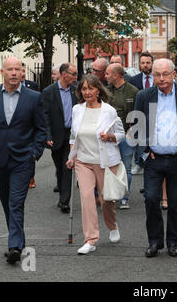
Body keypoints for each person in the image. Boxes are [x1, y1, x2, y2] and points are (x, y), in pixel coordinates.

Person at [0, 56, 46, 264]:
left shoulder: (33, 97)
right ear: (2, 73)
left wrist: (35, 152)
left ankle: (14, 247)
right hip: (0, 159)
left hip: (24, 159)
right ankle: (19, 240)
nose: (14, 73)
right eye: (10, 69)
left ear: (22, 73)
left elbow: (41, 129)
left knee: (15, 202)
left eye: (17, 69)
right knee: (7, 203)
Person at [132, 58, 177, 258]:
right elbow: (137, 126)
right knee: (151, 199)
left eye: (165, 74)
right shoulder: (144, 96)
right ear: (152, 76)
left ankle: (173, 242)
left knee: (176, 202)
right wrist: (144, 153)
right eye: (157, 75)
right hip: (153, 158)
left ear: (174, 74)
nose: (161, 79)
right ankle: (154, 241)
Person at [66, 74, 124, 255]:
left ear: (98, 90)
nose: (87, 92)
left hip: (105, 161)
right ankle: (90, 239)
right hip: (83, 162)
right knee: (86, 198)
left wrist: (111, 137)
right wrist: (72, 155)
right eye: (84, 89)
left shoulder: (109, 111)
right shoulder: (77, 109)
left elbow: (121, 133)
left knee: (107, 200)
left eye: (91, 88)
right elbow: (74, 135)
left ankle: (112, 225)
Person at [41, 63, 78, 213]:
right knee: (59, 167)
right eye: (73, 74)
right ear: (64, 74)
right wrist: (47, 135)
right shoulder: (49, 92)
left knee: (67, 167)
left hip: (72, 134)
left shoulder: (76, 91)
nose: (76, 77)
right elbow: (44, 116)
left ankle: (65, 201)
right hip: (56, 135)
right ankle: (62, 192)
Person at [105, 63, 139, 210]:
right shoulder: (105, 91)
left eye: (107, 74)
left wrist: (131, 133)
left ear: (116, 75)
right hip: (108, 137)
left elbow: (137, 114)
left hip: (126, 135)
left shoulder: (133, 91)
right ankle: (112, 195)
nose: (105, 76)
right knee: (109, 166)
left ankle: (125, 197)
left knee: (126, 168)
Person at [129, 52, 154, 176]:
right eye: (143, 63)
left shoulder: (158, 79)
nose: (145, 65)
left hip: (155, 114)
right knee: (140, 140)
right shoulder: (134, 80)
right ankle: (139, 163)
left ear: (152, 64)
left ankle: (151, 164)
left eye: (148, 63)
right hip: (140, 114)